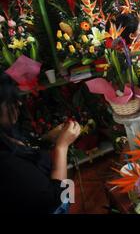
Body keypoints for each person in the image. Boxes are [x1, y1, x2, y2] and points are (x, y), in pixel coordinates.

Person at [0, 73, 81, 213]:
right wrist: (61, 147)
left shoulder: (6, 135)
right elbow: (53, 198)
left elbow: (21, 152)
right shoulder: (6, 164)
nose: (18, 103)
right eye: (11, 101)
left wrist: (46, 140)